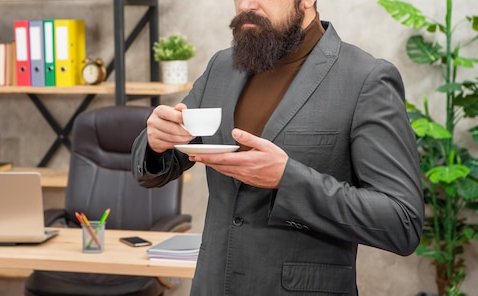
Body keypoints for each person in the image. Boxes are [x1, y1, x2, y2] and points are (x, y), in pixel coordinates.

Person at [132, 0, 424, 295]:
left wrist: (287, 179)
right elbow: (157, 166)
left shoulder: (365, 78)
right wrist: (156, 141)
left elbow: (402, 222)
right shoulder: (221, 66)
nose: (246, 5)